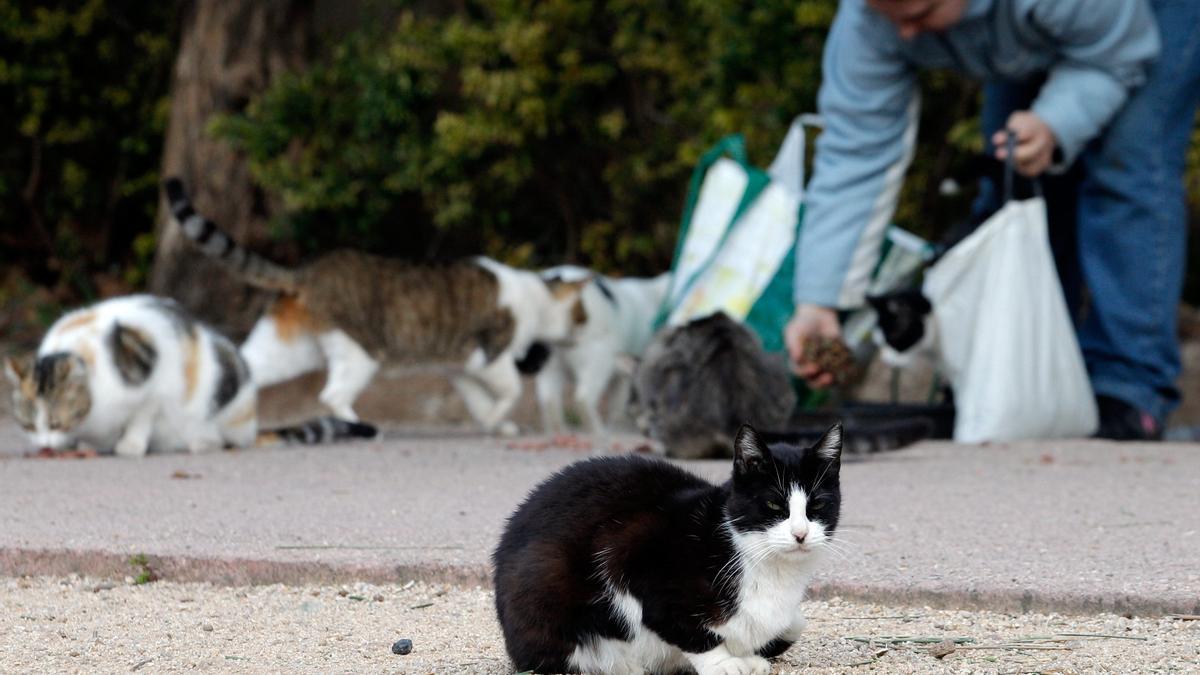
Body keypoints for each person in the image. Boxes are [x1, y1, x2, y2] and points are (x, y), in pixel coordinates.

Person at [784, 0, 1200, 440]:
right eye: (892, 16)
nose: (905, 33)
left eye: (919, 16)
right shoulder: (870, 19)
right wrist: (819, 302)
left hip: (1141, 21)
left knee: (1129, 164)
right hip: (1027, 27)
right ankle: (1021, 376)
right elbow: (855, 154)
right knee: (1011, 175)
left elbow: (1120, 50)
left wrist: (1055, 121)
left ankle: (1128, 390)